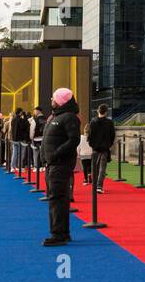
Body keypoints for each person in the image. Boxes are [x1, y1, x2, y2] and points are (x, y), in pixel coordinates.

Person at [39, 88, 81, 246]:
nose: (51, 99)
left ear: (60, 101)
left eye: (54, 98)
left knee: (57, 199)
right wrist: (44, 157)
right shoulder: (55, 116)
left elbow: (73, 140)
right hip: (53, 164)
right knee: (59, 199)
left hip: (60, 164)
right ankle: (63, 233)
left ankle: (57, 234)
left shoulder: (69, 117)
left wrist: (55, 154)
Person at [85, 104, 115, 193]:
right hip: (105, 148)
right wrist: (109, 144)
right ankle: (99, 186)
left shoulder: (93, 122)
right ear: (106, 112)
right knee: (102, 168)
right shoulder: (109, 123)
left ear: (98, 111)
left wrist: (91, 144)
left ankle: (95, 185)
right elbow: (112, 135)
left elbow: (89, 135)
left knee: (94, 167)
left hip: (95, 148)